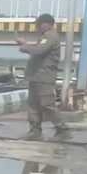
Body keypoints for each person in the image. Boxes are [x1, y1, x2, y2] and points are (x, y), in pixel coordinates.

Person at [16, 13, 69, 141]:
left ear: (49, 25)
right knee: (33, 105)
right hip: (36, 76)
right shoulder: (44, 37)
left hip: (44, 77)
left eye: (40, 24)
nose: (37, 27)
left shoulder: (51, 37)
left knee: (47, 104)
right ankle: (35, 131)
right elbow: (38, 49)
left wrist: (24, 44)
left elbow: (39, 51)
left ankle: (63, 130)